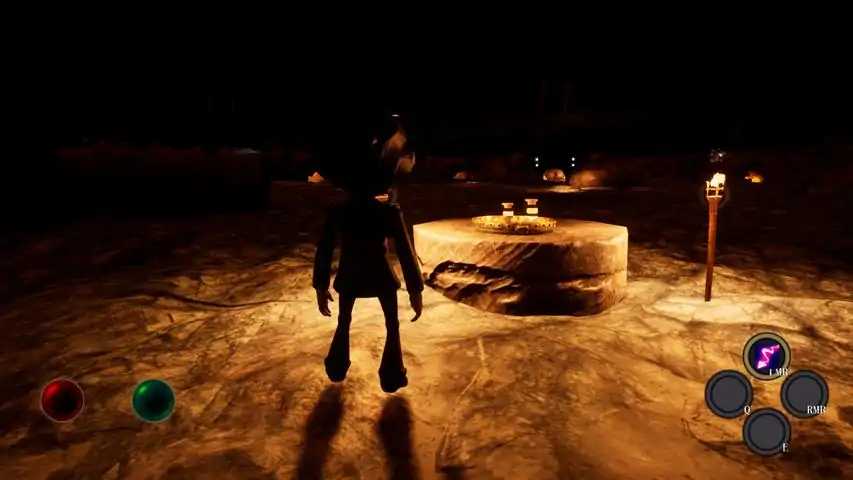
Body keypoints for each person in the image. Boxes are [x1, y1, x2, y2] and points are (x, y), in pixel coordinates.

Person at [312, 112, 423, 393]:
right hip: (380, 276)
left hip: (349, 277)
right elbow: (405, 251)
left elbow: (325, 249)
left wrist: (321, 285)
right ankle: (392, 375)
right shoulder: (388, 212)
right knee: (392, 325)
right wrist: (415, 289)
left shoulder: (340, 211)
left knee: (344, 321)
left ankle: (337, 366)